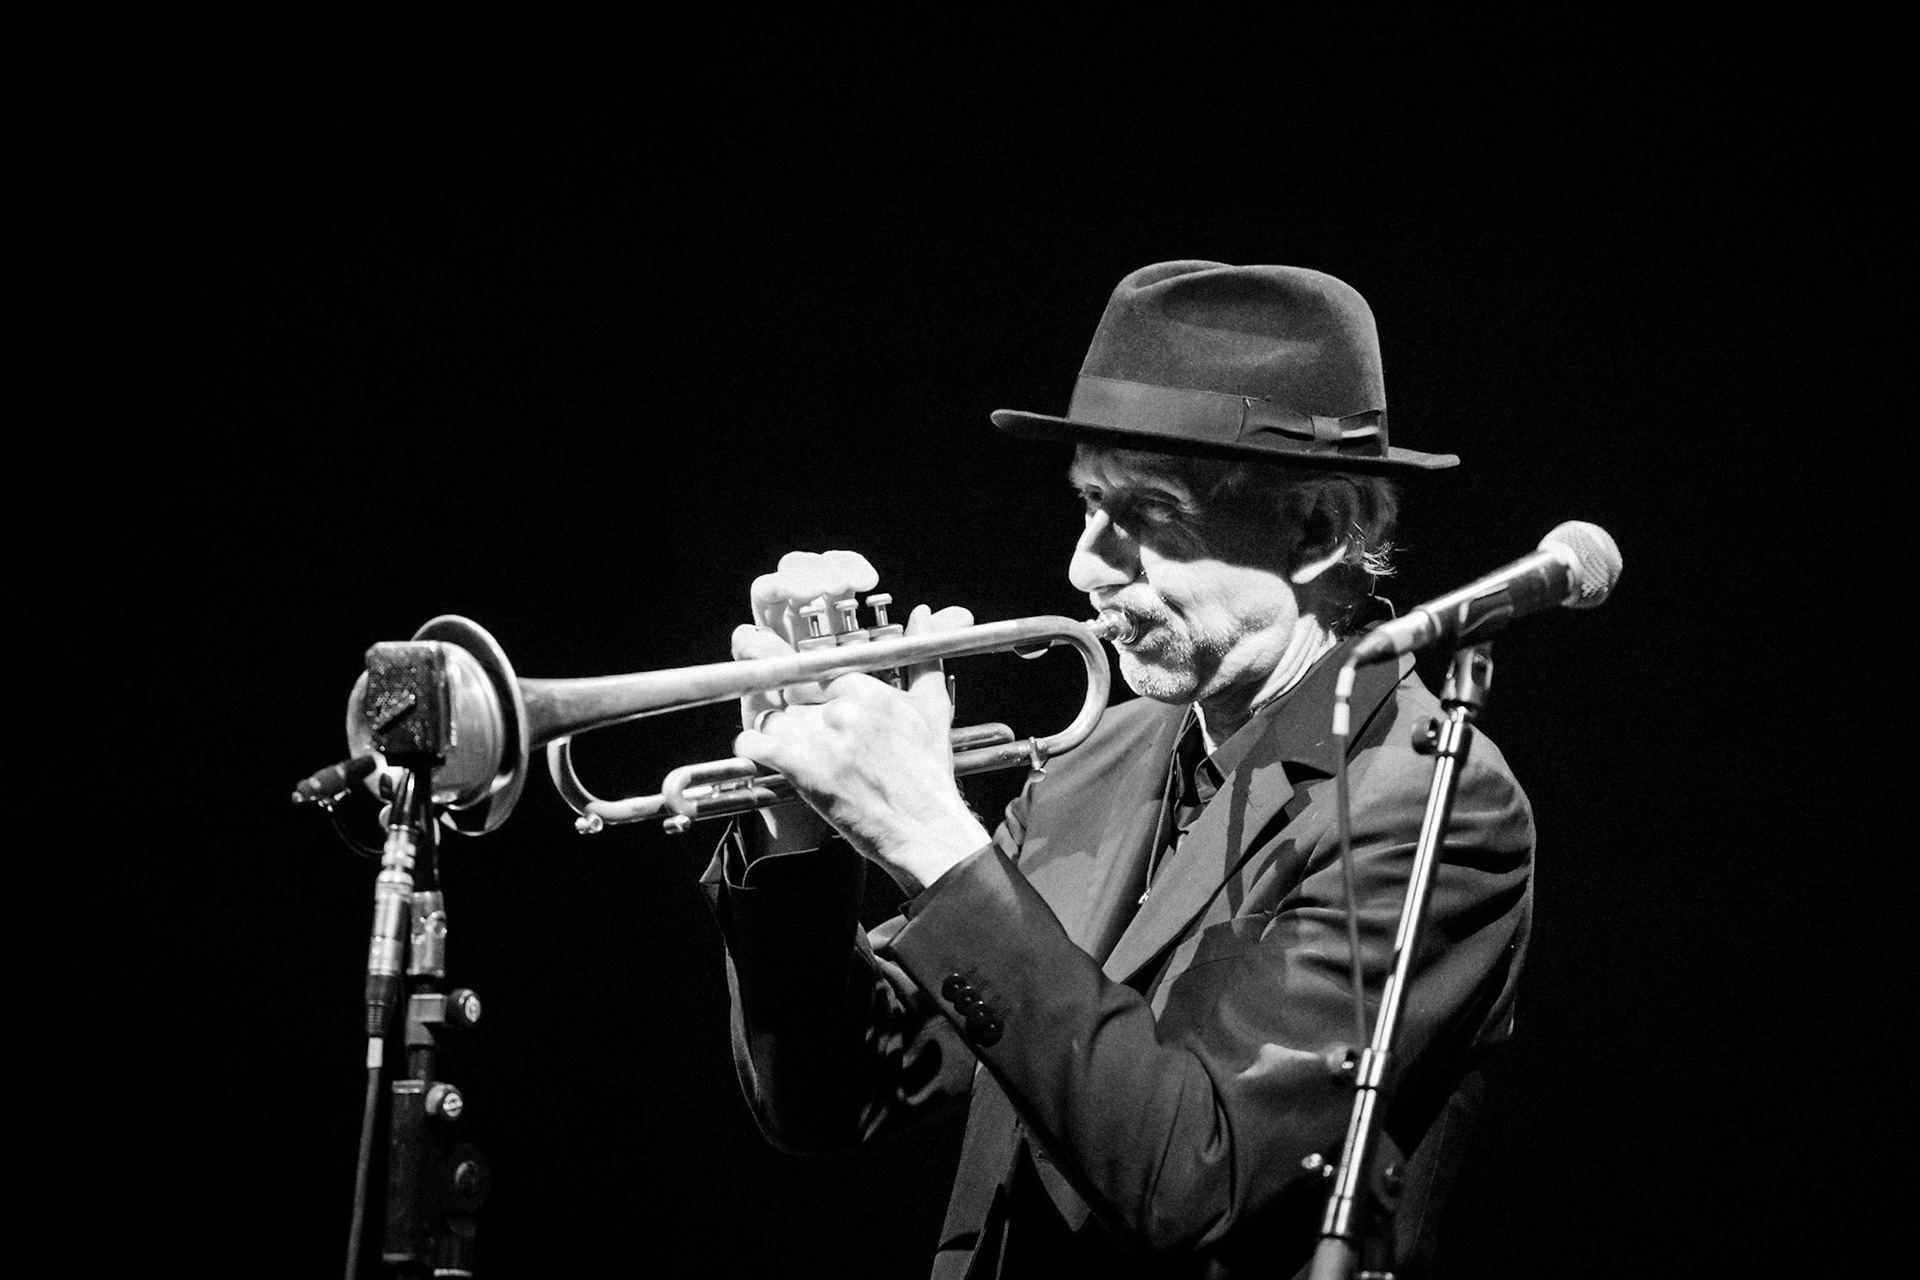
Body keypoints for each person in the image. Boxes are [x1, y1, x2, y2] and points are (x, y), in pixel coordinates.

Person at [701, 261, 1534, 1278]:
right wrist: (804, 834)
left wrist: (930, 836)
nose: (1086, 566)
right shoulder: (1094, 755)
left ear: (1316, 530)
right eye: (1089, 503)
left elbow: (1192, 1177)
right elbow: (833, 1097)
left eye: (1144, 511)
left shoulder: (1429, 797)